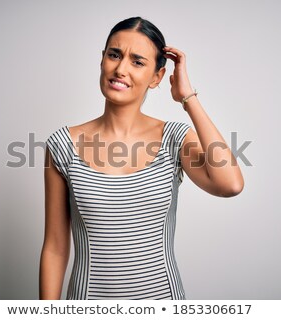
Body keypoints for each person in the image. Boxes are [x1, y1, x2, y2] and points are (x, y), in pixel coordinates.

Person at [40, 16, 244, 300]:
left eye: (137, 62)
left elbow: (230, 185)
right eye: (114, 55)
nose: (121, 68)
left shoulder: (174, 139)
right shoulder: (62, 145)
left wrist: (188, 98)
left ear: (157, 77)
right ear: (102, 60)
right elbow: (55, 247)